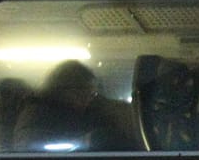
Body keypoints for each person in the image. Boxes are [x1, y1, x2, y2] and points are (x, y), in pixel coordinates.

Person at [12, 60, 144, 153]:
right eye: (85, 93)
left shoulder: (83, 113)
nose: (87, 99)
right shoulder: (38, 114)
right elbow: (30, 148)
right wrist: (85, 141)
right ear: (65, 89)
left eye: (92, 94)